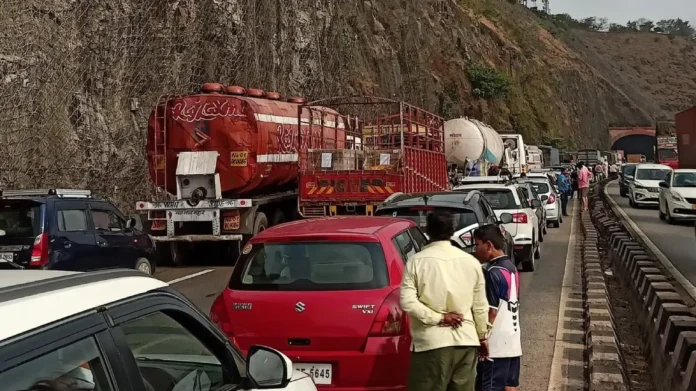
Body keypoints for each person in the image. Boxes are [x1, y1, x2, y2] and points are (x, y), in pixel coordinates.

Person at [401, 211, 489, 391]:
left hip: (430, 344)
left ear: (427, 231)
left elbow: (407, 302)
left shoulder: (416, 262)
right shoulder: (471, 262)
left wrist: (439, 318)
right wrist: (482, 336)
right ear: (453, 231)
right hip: (466, 341)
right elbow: (480, 306)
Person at [473, 225, 522, 391]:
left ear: (488, 245)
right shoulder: (512, 268)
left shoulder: (493, 273)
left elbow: (491, 311)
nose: (475, 248)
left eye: (476, 244)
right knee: (509, 386)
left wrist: (482, 338)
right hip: (513, 341)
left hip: (496, 347)